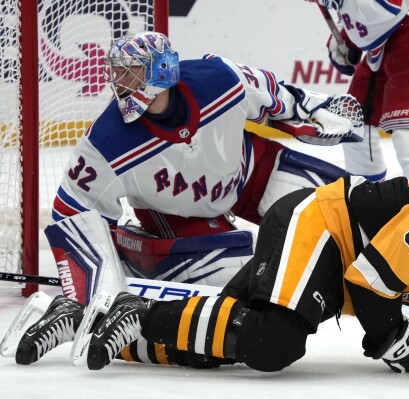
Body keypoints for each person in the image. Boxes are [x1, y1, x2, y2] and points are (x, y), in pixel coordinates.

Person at [9, 30, 364, 365]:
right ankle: (141, 265)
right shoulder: (106, 142)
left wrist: (314, 110)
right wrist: (91, 291)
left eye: (132, 74)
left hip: (250, 172)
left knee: (349, 212)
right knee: (245, 287)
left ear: (163, 73)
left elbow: (274, 96)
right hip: (181, 216)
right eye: (118, 74)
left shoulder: (219, 78)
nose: (121, 85)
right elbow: (71, 212)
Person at [79, 176, 409, 373]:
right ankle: (137, 314)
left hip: (334, 270)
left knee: (230, 342)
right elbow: (369, 284)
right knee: (276, 343)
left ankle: (105, 326)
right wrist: (392, 338)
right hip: (322, 227)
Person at [309, 0, 409, 183]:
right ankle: (369, 199)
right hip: (387, 37)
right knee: (354, 123)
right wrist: (349, 39)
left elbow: (390, 5)